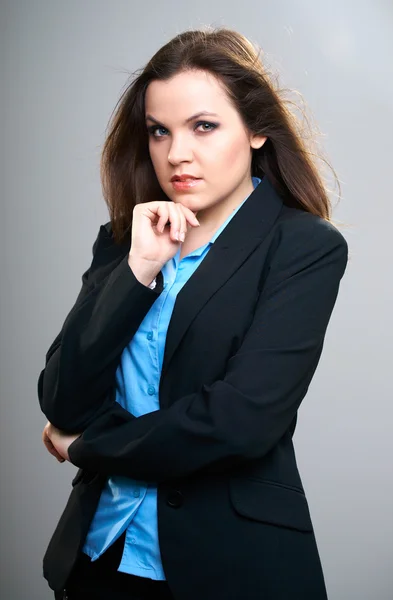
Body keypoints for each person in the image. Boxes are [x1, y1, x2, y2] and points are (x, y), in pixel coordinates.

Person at [38, 26, 349, 600]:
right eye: (159, 131)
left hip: (230, 568)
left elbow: (238, 422)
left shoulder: (304, 247)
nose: (176, 153)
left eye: (203, 126)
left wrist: (86, 447)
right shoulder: (123, 242)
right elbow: (61, 399)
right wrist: (137, 273)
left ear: (257, 130)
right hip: (99, 559)